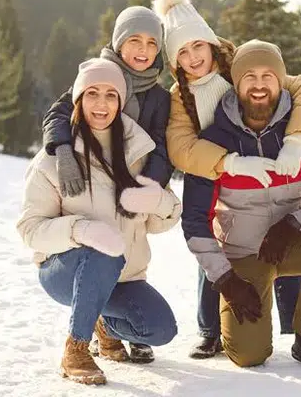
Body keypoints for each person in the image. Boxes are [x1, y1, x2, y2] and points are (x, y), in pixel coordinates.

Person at [153, 0, 301, 358]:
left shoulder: (241, 68)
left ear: (211, 44)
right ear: (175, 61)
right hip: (219, 177)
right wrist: (228, 163)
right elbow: (180, 146)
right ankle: (210, 329)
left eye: (197, 46)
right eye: (182, 52)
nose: (192, 57)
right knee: (213, 242)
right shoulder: (180, 98)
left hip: (272, 168)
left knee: (283, 234)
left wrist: (296, 139)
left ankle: (296, 326)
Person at [181, 39, 301, 371]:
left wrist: (294, 223)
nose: (259, 85)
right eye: (249, 76)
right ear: (235, 84)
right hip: (243, 256)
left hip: (290, 244)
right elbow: (193, 221)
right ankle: (223, 329)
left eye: (268, 76)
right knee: (248, 356)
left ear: (281, 82)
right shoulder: (213, 143)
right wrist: (225, 280)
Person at [16, 58, 181, 385]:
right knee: (103, 250)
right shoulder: (54, 160)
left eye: (110, 95)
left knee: (161, 328)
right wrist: (80, 230)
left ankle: (100, 321)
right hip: (65, 271)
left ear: (120, 102)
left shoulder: (139, 152)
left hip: (124, 277)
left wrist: (158, 200)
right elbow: (30, 230)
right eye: (92, 93)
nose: (101, 104)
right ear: (78, 99)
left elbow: (163, 220)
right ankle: (75, 348)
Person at [42, 5, 173, 195]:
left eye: (152, 43)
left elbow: (162, 150)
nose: (143, 49)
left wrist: (144, 187)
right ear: (119, 42)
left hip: (130, 183)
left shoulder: (159, 99)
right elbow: (58, 113)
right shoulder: (96, 76)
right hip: (87, 174)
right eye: (135, 39)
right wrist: (63, 151)